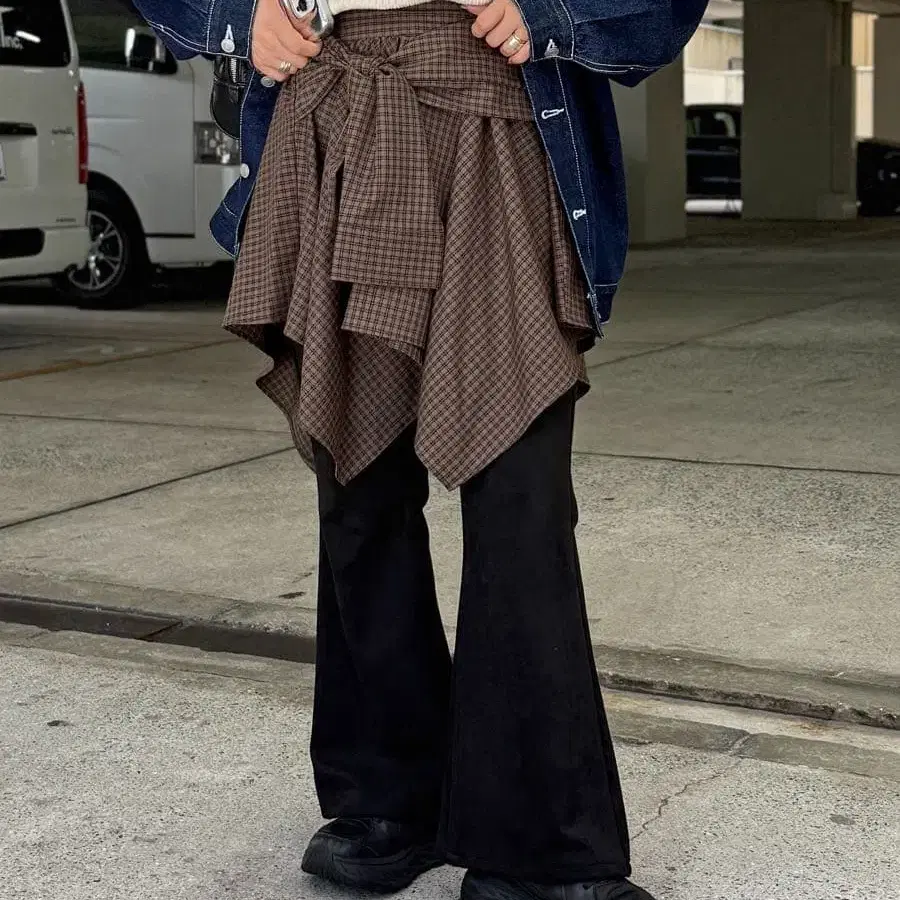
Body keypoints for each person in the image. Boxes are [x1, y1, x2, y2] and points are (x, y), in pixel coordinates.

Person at [133, 0, 707, 897]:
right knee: (357, 482)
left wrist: (558, 12)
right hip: (334, 102)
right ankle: (391, 797)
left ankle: (536, 847)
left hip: (495, 107)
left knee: (520, 491)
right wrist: (237, 15)